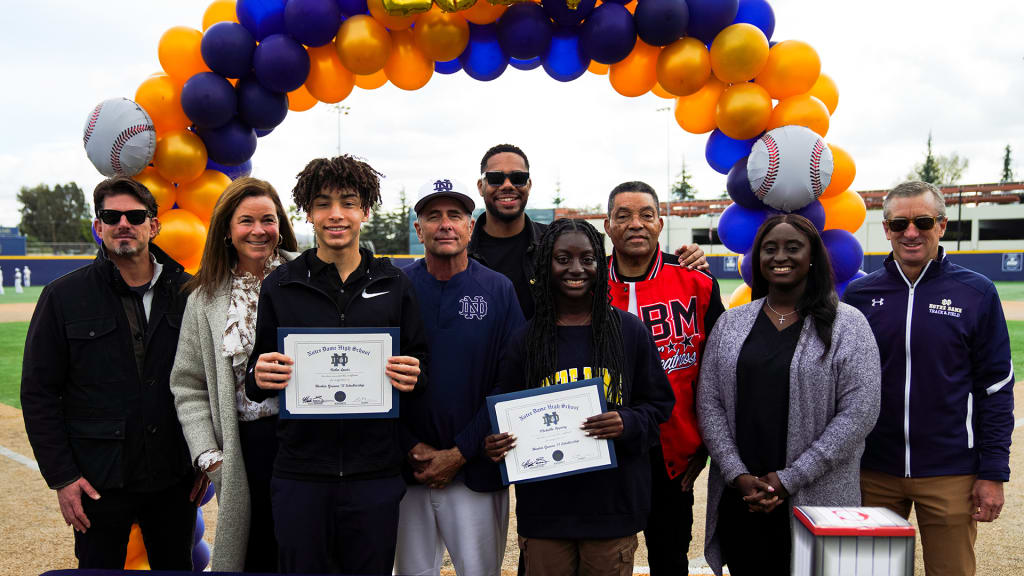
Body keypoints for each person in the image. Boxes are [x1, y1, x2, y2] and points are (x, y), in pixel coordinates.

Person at [245, 155, 429, 575]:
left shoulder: (393, 283)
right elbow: (257, 376)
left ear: (365, 210)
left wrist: (414, 374)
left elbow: (422, 367)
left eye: (348, 202)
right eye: (323, 203)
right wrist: (259, 375)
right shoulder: (281, 284)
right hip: (301, 475)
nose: (336, 214)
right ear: (308, 212)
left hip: (374, 474)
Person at [21, 177, 200, 569]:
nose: (123, 223)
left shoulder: (189, 294)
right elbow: (39, 392)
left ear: (153, 226)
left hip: (173, 478)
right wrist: (63, 478)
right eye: (111, 215)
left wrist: (205, 454)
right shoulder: (63, 296)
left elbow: (208, 383)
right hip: (97, 481)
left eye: (135, 216)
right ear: (98, 226)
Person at [484, 219, 674, 576]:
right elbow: (502, 405)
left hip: (611, 507)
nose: (576, 268)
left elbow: (659, 405)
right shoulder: (527, 339)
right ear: (546, 265)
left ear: (599, 265)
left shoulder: (628, 331)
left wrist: (627, 422)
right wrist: (495, 440)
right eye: (563, 258)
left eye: (587, 258)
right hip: (546, 510)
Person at [842, 181, 1014, 576]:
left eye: (922, 221)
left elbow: (996, 387)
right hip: (874, 471)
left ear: (942, 225)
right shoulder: (861, 295)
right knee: (872, 572)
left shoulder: (976, 292)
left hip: (950, 472)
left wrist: (992, 472)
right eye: (899, 224)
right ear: (885, 230)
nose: (911, 233)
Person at [696, 214, 881, 576]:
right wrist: (737, 475)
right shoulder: (731, 323)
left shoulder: (849, 324)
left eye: (793, 248)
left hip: (818, 498)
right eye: (769, 248)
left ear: (812, 256)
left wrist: (790, 478)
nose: (780, 256)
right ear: (758, 260)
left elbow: (860, 412)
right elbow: (709, 402)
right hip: (745, 498)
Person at [394, 177, 525, 576]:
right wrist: (408, 445)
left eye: (455, 215)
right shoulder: (394, 288)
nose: (445, 224)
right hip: (407, 469)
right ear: (418, 229)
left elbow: (512, 381)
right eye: (433, 216)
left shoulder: (498, 289)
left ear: (471, 225)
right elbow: (375, 381)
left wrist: (460, 452)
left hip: (476, 470)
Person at [170, 177, 299, 571]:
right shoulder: (203, 298)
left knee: (308, 548)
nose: (259, 230)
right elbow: (187, 384)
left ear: (281, 225)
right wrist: (209, 456)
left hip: (310, 441)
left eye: (268, 220)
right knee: (257, 552)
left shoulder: (311, 276)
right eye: (246, 221)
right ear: (227, 229)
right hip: (245, 449)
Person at [603, 181, 724, 575]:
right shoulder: (585, 285)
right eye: (623, 215)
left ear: (660, 223)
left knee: (669, 558)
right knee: (601, 557)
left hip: (674, 451)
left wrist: (703, 446)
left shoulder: (697, 281)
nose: (635, 224)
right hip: (604, 448)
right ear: (607, 226)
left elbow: (718, 372)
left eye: (645, 215)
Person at [468, 144, 707, 320]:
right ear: (481, 186)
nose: (508, 185)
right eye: (496, 178)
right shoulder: (462, 254)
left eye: (518, 178)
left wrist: (692, 259)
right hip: (482, 375)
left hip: (545, 376)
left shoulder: (555, 241)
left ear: (529, 185)